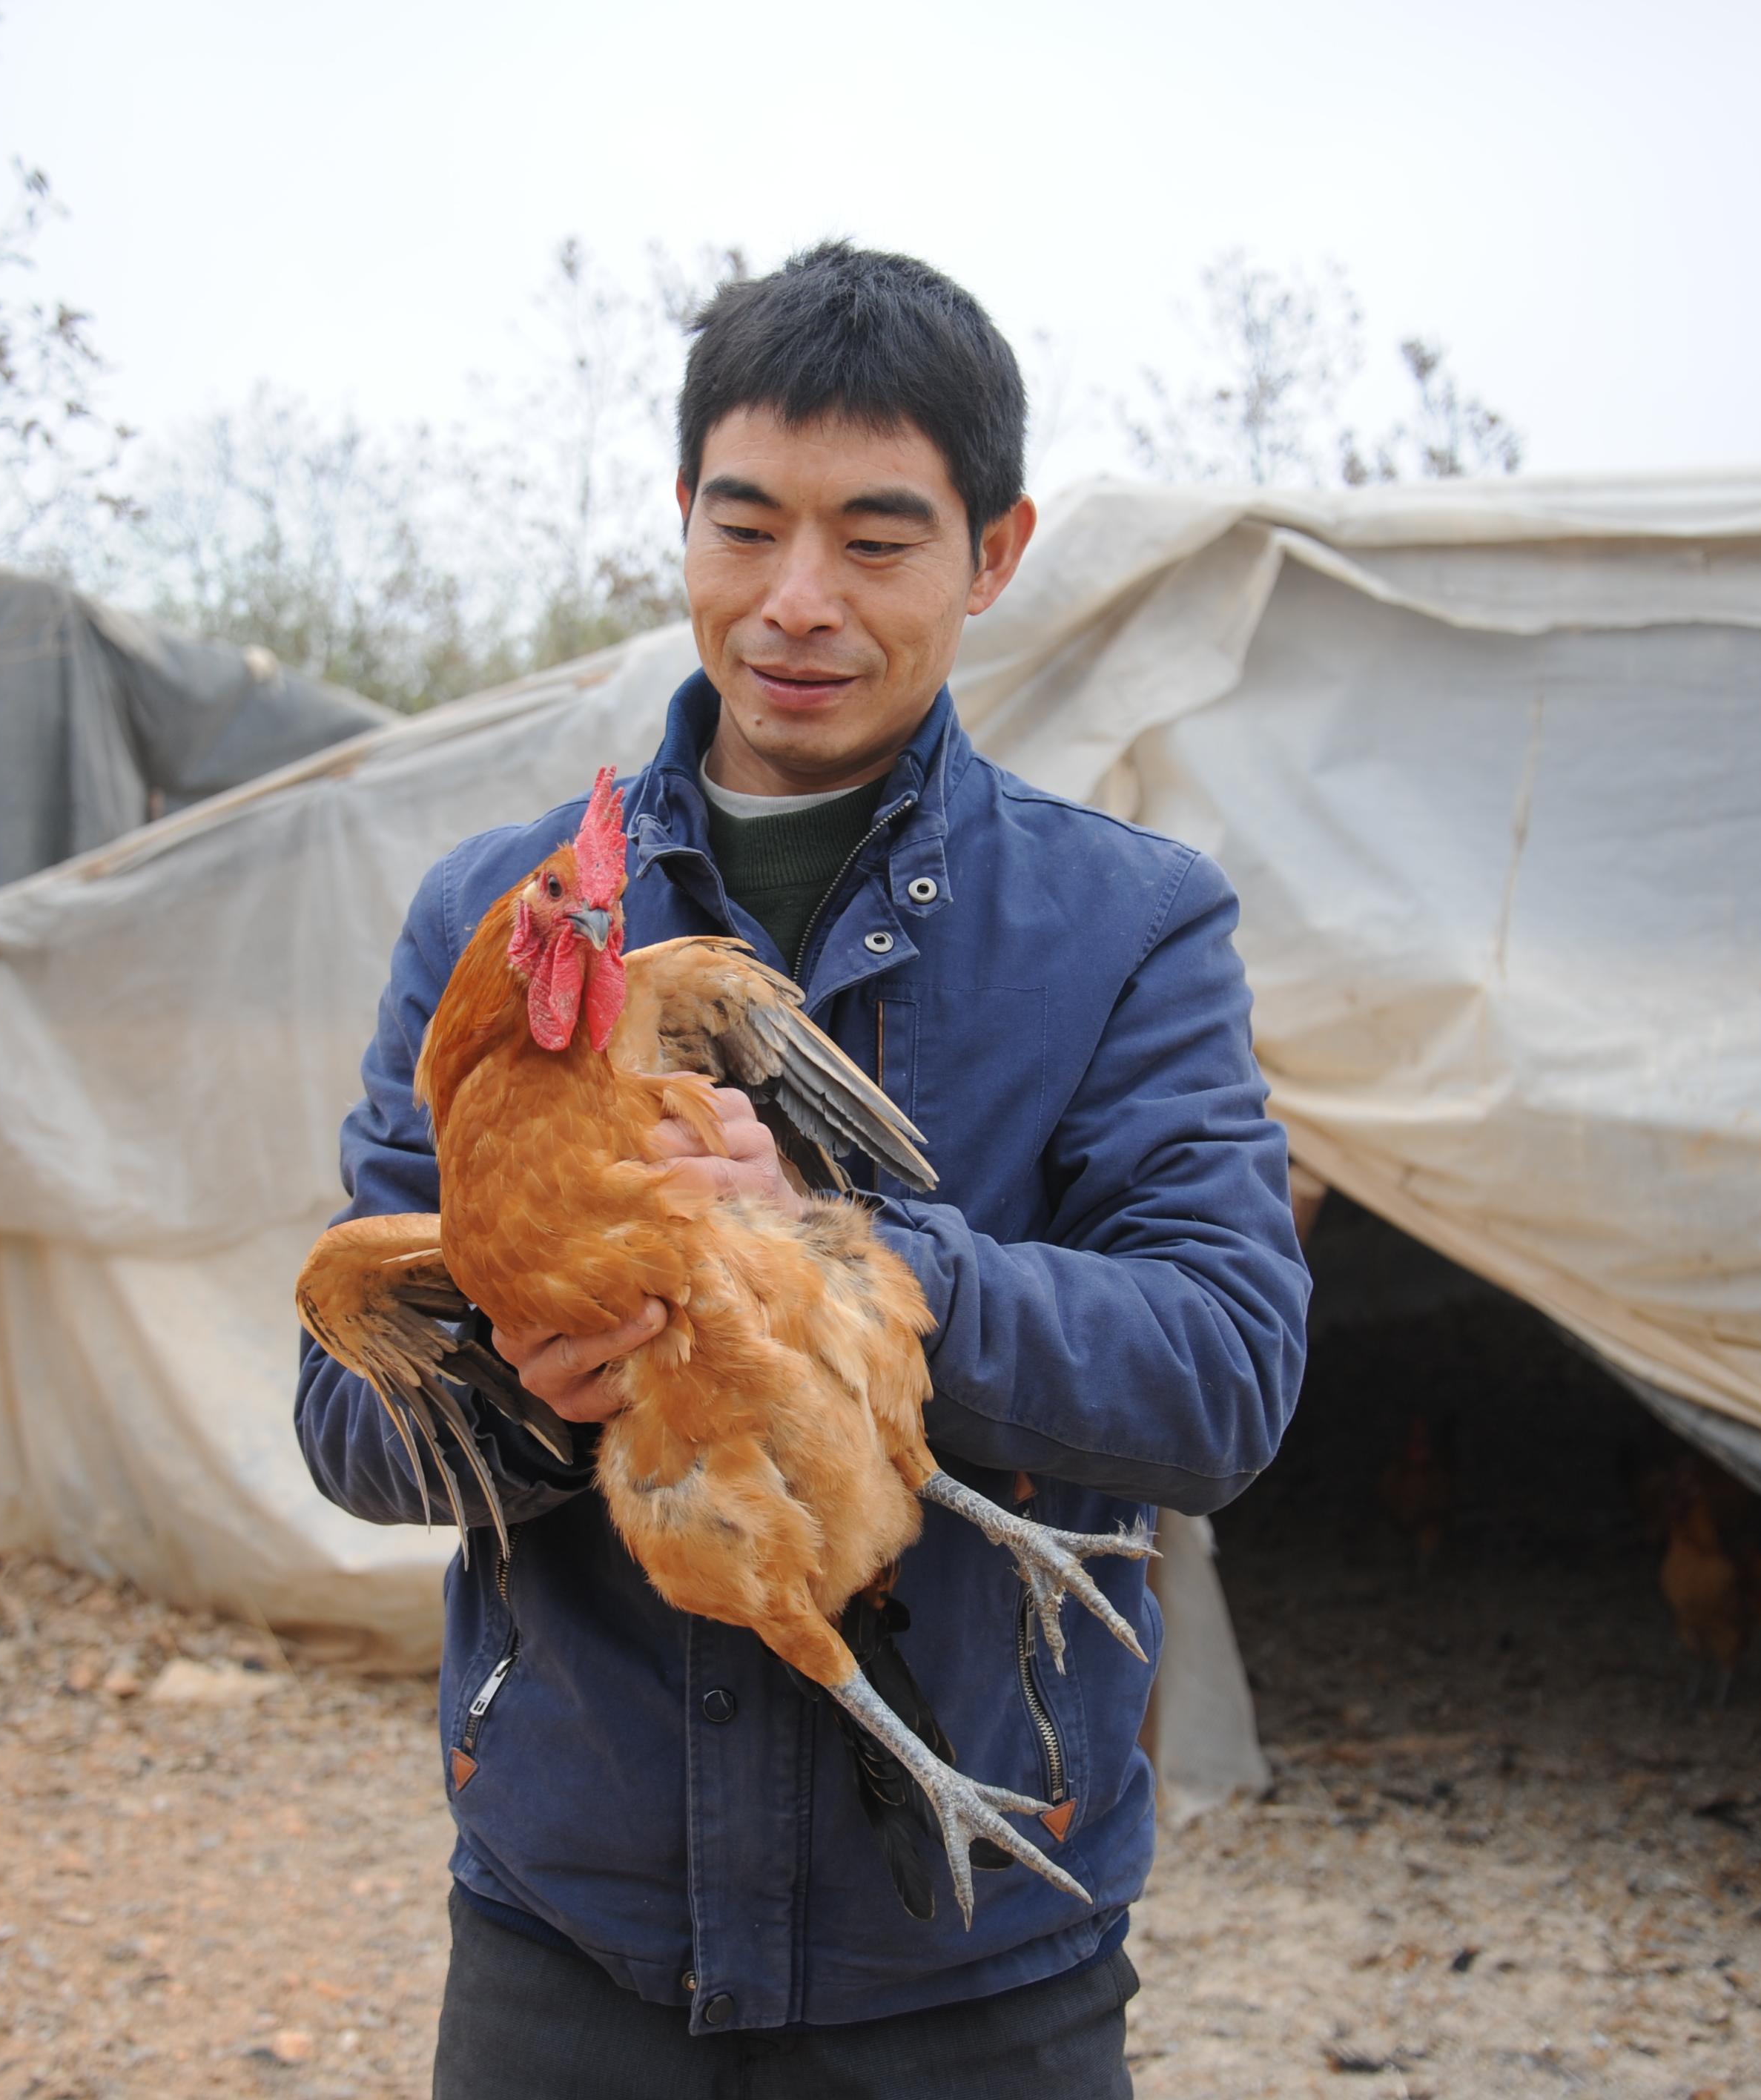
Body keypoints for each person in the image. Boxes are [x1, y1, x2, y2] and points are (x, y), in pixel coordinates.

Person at [296, 241, 1309, 2096]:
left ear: (994, 555)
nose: (797, 603)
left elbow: (1224, 1375)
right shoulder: (496, 920)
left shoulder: (1126, 928)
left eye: (877, 538)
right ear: (682, 518)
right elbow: (347, 1422)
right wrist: (522, 1389)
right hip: (571, 1928)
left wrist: (840, 1257)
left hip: (975, 1931)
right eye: (747, 527)